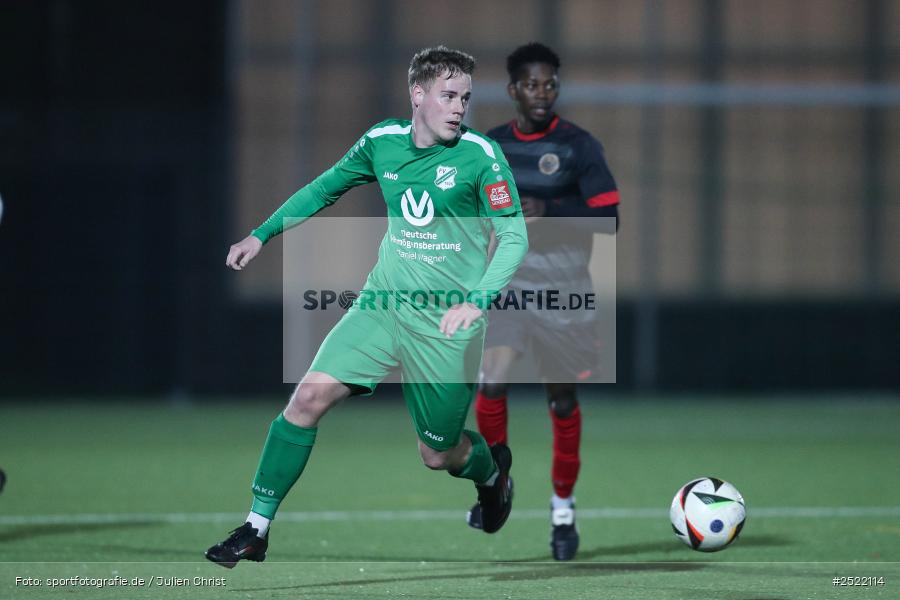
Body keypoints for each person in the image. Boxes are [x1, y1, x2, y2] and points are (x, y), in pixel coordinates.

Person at [205, 46, 528, 568]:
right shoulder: (381, 142)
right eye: (448, 96)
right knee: (305, 401)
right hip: (382, 305)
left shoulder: (480, 157)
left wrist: (476, 300)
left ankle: (492, 475)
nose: (458, 108)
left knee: (437, 455)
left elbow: (513, 237)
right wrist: (261, 234)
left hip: (447, 325)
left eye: (465, 98)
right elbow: (324, 189)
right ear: (417, 96)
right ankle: (255, 529)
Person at [466, 43, 619, 561]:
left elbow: (609, 218)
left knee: (562, 400)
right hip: (508, 286)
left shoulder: (579, 147)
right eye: (532, 84)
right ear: (513, 90)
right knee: (491, 380)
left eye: (550, 84)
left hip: (564, 292)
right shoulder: (490, 147)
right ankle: (494, 485)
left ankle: (563, 510)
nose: (542, 93)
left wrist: (550, 209)